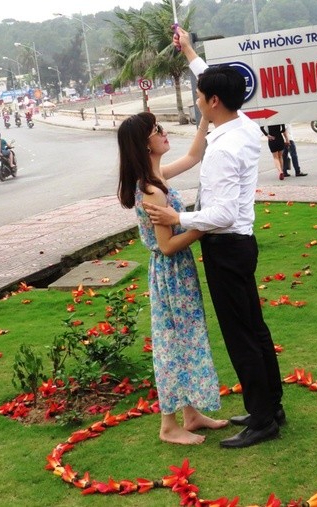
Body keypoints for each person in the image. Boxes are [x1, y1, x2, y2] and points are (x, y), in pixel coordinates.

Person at [144, 27, 285, 449]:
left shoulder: (223, 149)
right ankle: (270, 405)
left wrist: (176, 215)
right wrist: (187, 50)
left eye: (201, 97)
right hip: (240, 245)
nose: (198, 101)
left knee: (243, 337)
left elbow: (220, 214)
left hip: (226, 247)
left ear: (214, 102)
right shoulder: (239, 122)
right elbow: (210, 78)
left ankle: (263, 420)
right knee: (254, 329)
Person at [117, 111, 228, 445]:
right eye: (157, 131)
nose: (164, 134)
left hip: (176, 273)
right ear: (144, 144)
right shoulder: (151, 191)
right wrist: (203, 224)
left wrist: (206, 120)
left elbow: (194, 155)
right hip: (171, 273)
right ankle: (169, 426)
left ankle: (190, 414)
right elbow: (166, 246)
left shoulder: (157, 177)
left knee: (187, 337)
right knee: (173, 344)